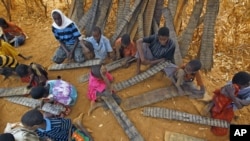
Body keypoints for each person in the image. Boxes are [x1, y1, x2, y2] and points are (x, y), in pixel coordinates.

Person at [206, 71, 250, 136]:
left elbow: (241, 105)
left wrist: (232, 95)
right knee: (219, 97)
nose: (235, 87)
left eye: (238, 87)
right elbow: (223, 91)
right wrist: (235, 98)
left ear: (247, 85)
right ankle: (214, 107)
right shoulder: (236, 81)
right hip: (235, 100)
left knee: (220, 129)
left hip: (234, 103)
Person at [21, 109, 92, 141]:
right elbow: (42, 137)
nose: (26, 128)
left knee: (88, 140)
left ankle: (79, 124)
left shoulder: (57, 124)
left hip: (70, 135)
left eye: (27, 127)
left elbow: (69, 125)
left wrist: (70, 137)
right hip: (59, 138)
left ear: (34, 126)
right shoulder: (37, 130)